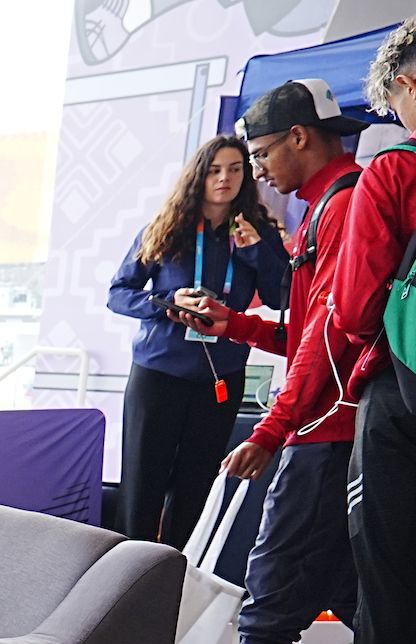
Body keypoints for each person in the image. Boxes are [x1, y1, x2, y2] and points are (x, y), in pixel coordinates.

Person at [159, 80, 367, 644]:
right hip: (341, 425)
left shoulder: (345, 206)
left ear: (301, 138)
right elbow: (312, 328)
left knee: (275, 570)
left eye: (265, 155)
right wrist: (238, 324)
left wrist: (271, 430)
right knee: (349, 583)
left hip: (325, 428)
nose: (260, 173)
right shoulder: (327, 206)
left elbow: (331, 337)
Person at [300, 16, 416, 644]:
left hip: (405, 401)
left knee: (386, 589)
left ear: (411, 86)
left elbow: (349, 310)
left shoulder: (399, 169)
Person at [108, 136, 291, 547]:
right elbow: (118, 293)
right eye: (214, 170)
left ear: (246, 176)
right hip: (159, 372)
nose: (224, 178)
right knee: (141, 488)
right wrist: (166, 301)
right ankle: (123, 587)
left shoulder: (256, 232)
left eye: (235, 169)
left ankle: (176, 586)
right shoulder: (167, 228)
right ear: (199, 176)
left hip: (219, 378)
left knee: (196, 491)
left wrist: (258, 253)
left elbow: (284, 297)